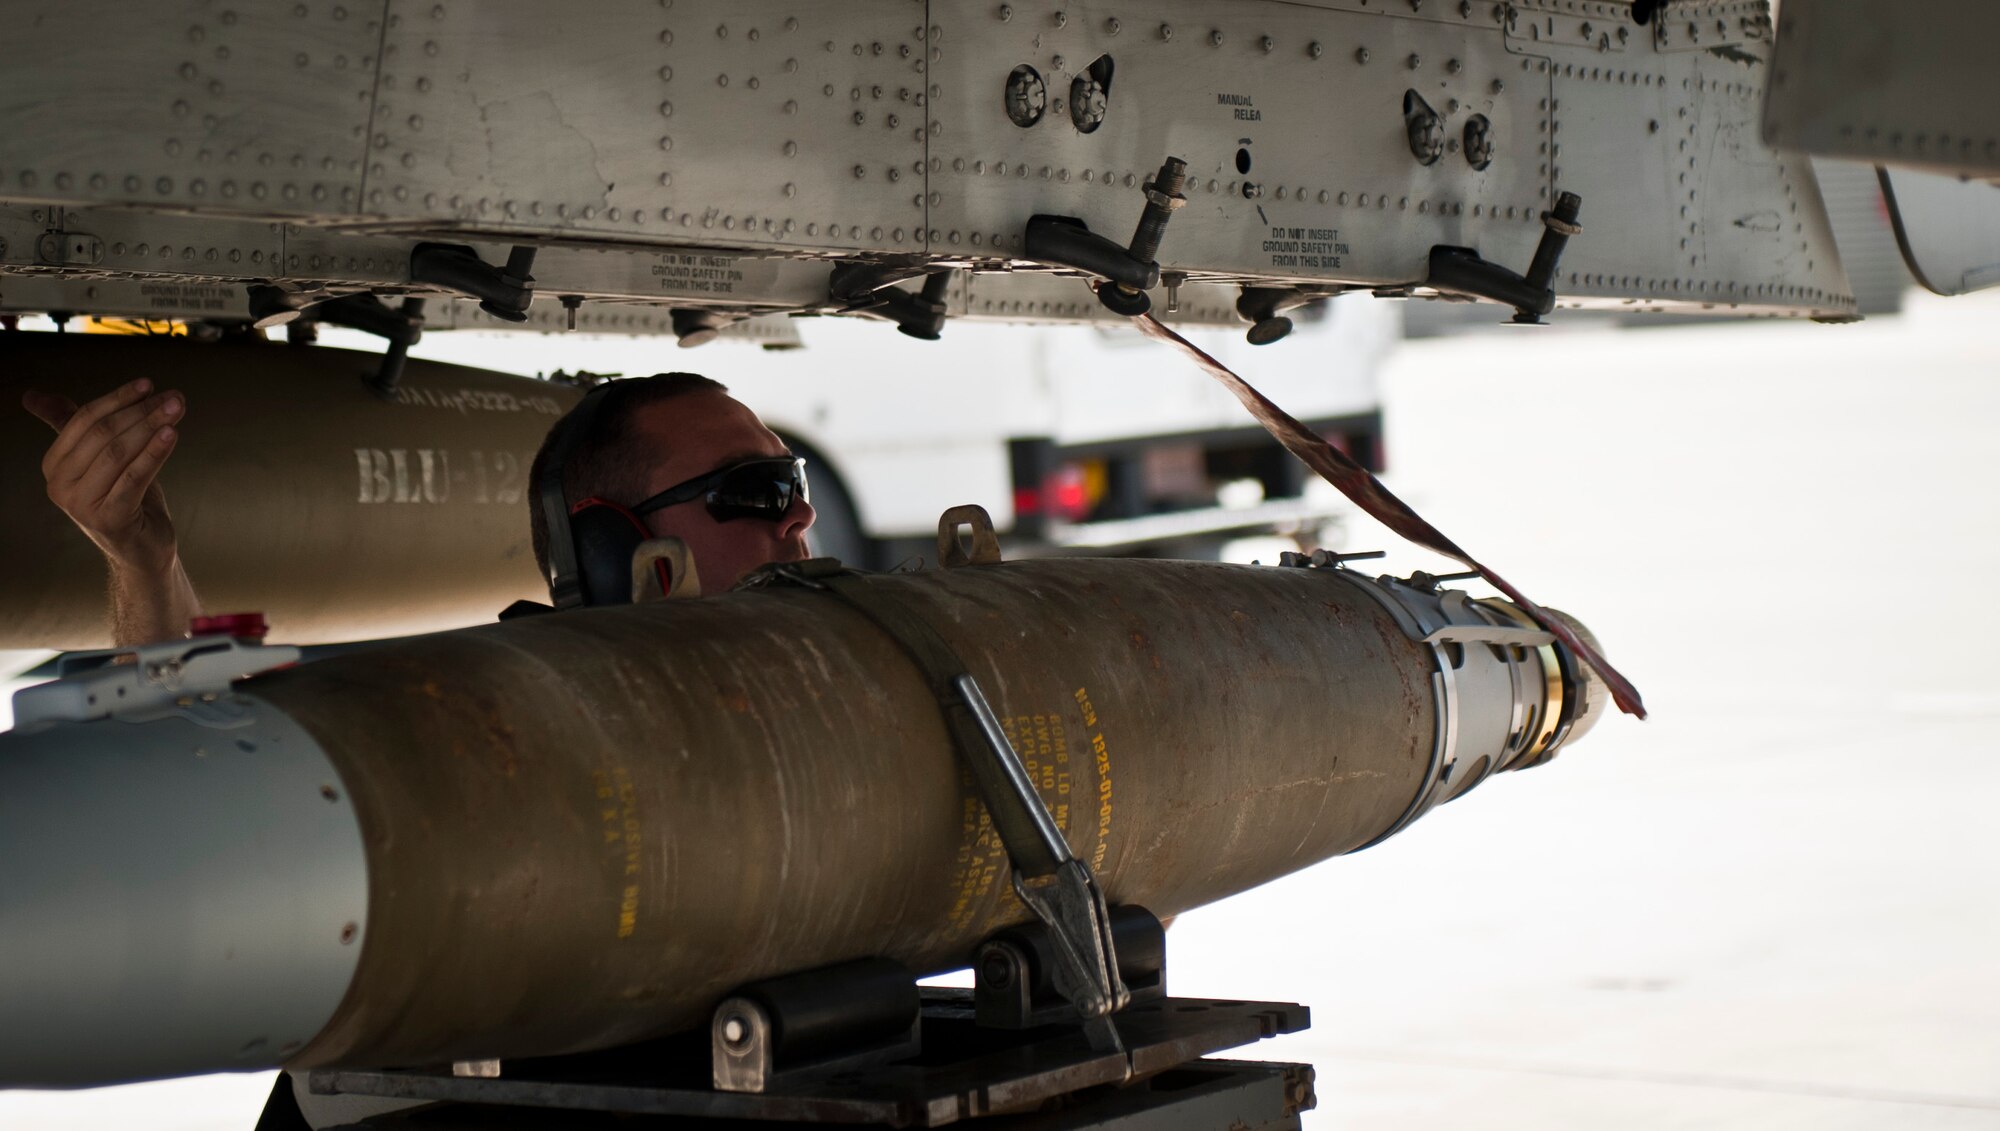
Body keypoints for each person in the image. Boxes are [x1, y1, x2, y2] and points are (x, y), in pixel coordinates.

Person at [24, 372, 816, 646]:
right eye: (751, 491)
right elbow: (193, 790)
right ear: (614, 548)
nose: (797, 519)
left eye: (793, 483)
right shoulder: (538, 737)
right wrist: (143, 558)